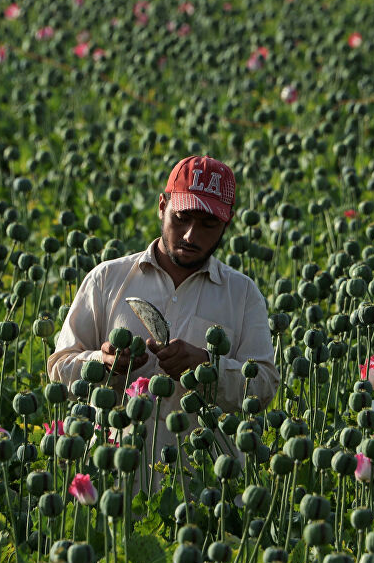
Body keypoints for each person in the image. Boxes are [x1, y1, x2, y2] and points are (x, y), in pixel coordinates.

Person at [47, 155, 280, 491]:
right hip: (114, 480)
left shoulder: (242, 295)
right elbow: (59, 367)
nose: (190, 234)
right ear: (162, 206)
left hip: (203, 488)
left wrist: (207, 367)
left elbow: (264, 387)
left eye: (208, 226)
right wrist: (104, 364)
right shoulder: (107, 280)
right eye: (181, 218)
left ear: (226, 225)